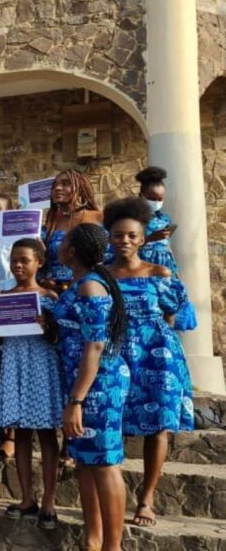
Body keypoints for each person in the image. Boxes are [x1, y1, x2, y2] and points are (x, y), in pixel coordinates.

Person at [103, 197, 194, 528]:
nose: (124, 241)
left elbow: (170, 316)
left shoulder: (160, 272)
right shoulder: (102, 276)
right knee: (112, 422)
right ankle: (111, 497)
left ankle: (147, 497)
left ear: (142, 239)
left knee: (158, 427)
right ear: (109, 238)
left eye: (130, 235)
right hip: (114, 355)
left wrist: (160, 354)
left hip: (156, 355)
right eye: (117, 235)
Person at [52, 223, 129, 551]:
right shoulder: (82, 282)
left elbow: (95, 346)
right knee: (85, 461)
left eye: (64, 241)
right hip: (82, 384)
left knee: (105, 462)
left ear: (72, 251)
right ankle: (92, 541)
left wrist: (77, 400)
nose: (59, 245)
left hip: (98, 387)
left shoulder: (92, 288)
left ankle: (112, 546)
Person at [0, 239, 63, 530]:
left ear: (39, 262)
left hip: (41, 368)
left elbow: (59, 340)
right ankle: (26, 498)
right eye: (14, 261)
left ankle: (49, 500)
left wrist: (48, 325)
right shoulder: (3, 297)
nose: (19, 266)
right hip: (13, 367)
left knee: (47, 436)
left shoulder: (50, 298)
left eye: (25, 260)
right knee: (20, 434)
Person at [41, 169, 103, 293]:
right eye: (55, 185)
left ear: (80, 188)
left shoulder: (99, 217)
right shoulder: (51, 222)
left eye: (65, 184)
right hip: (55, 291)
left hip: (89, 290)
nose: (58, 188)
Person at [135, 167, 178, 274]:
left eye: (160, 199)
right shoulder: (132, 219)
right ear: (141, 196)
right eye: (152, 198)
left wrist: (175, 272)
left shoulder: (164, 219)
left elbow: (167, 246)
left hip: (165, 266)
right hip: (143, 267)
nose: (156, 202)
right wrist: (149, 238)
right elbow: (125, 245)